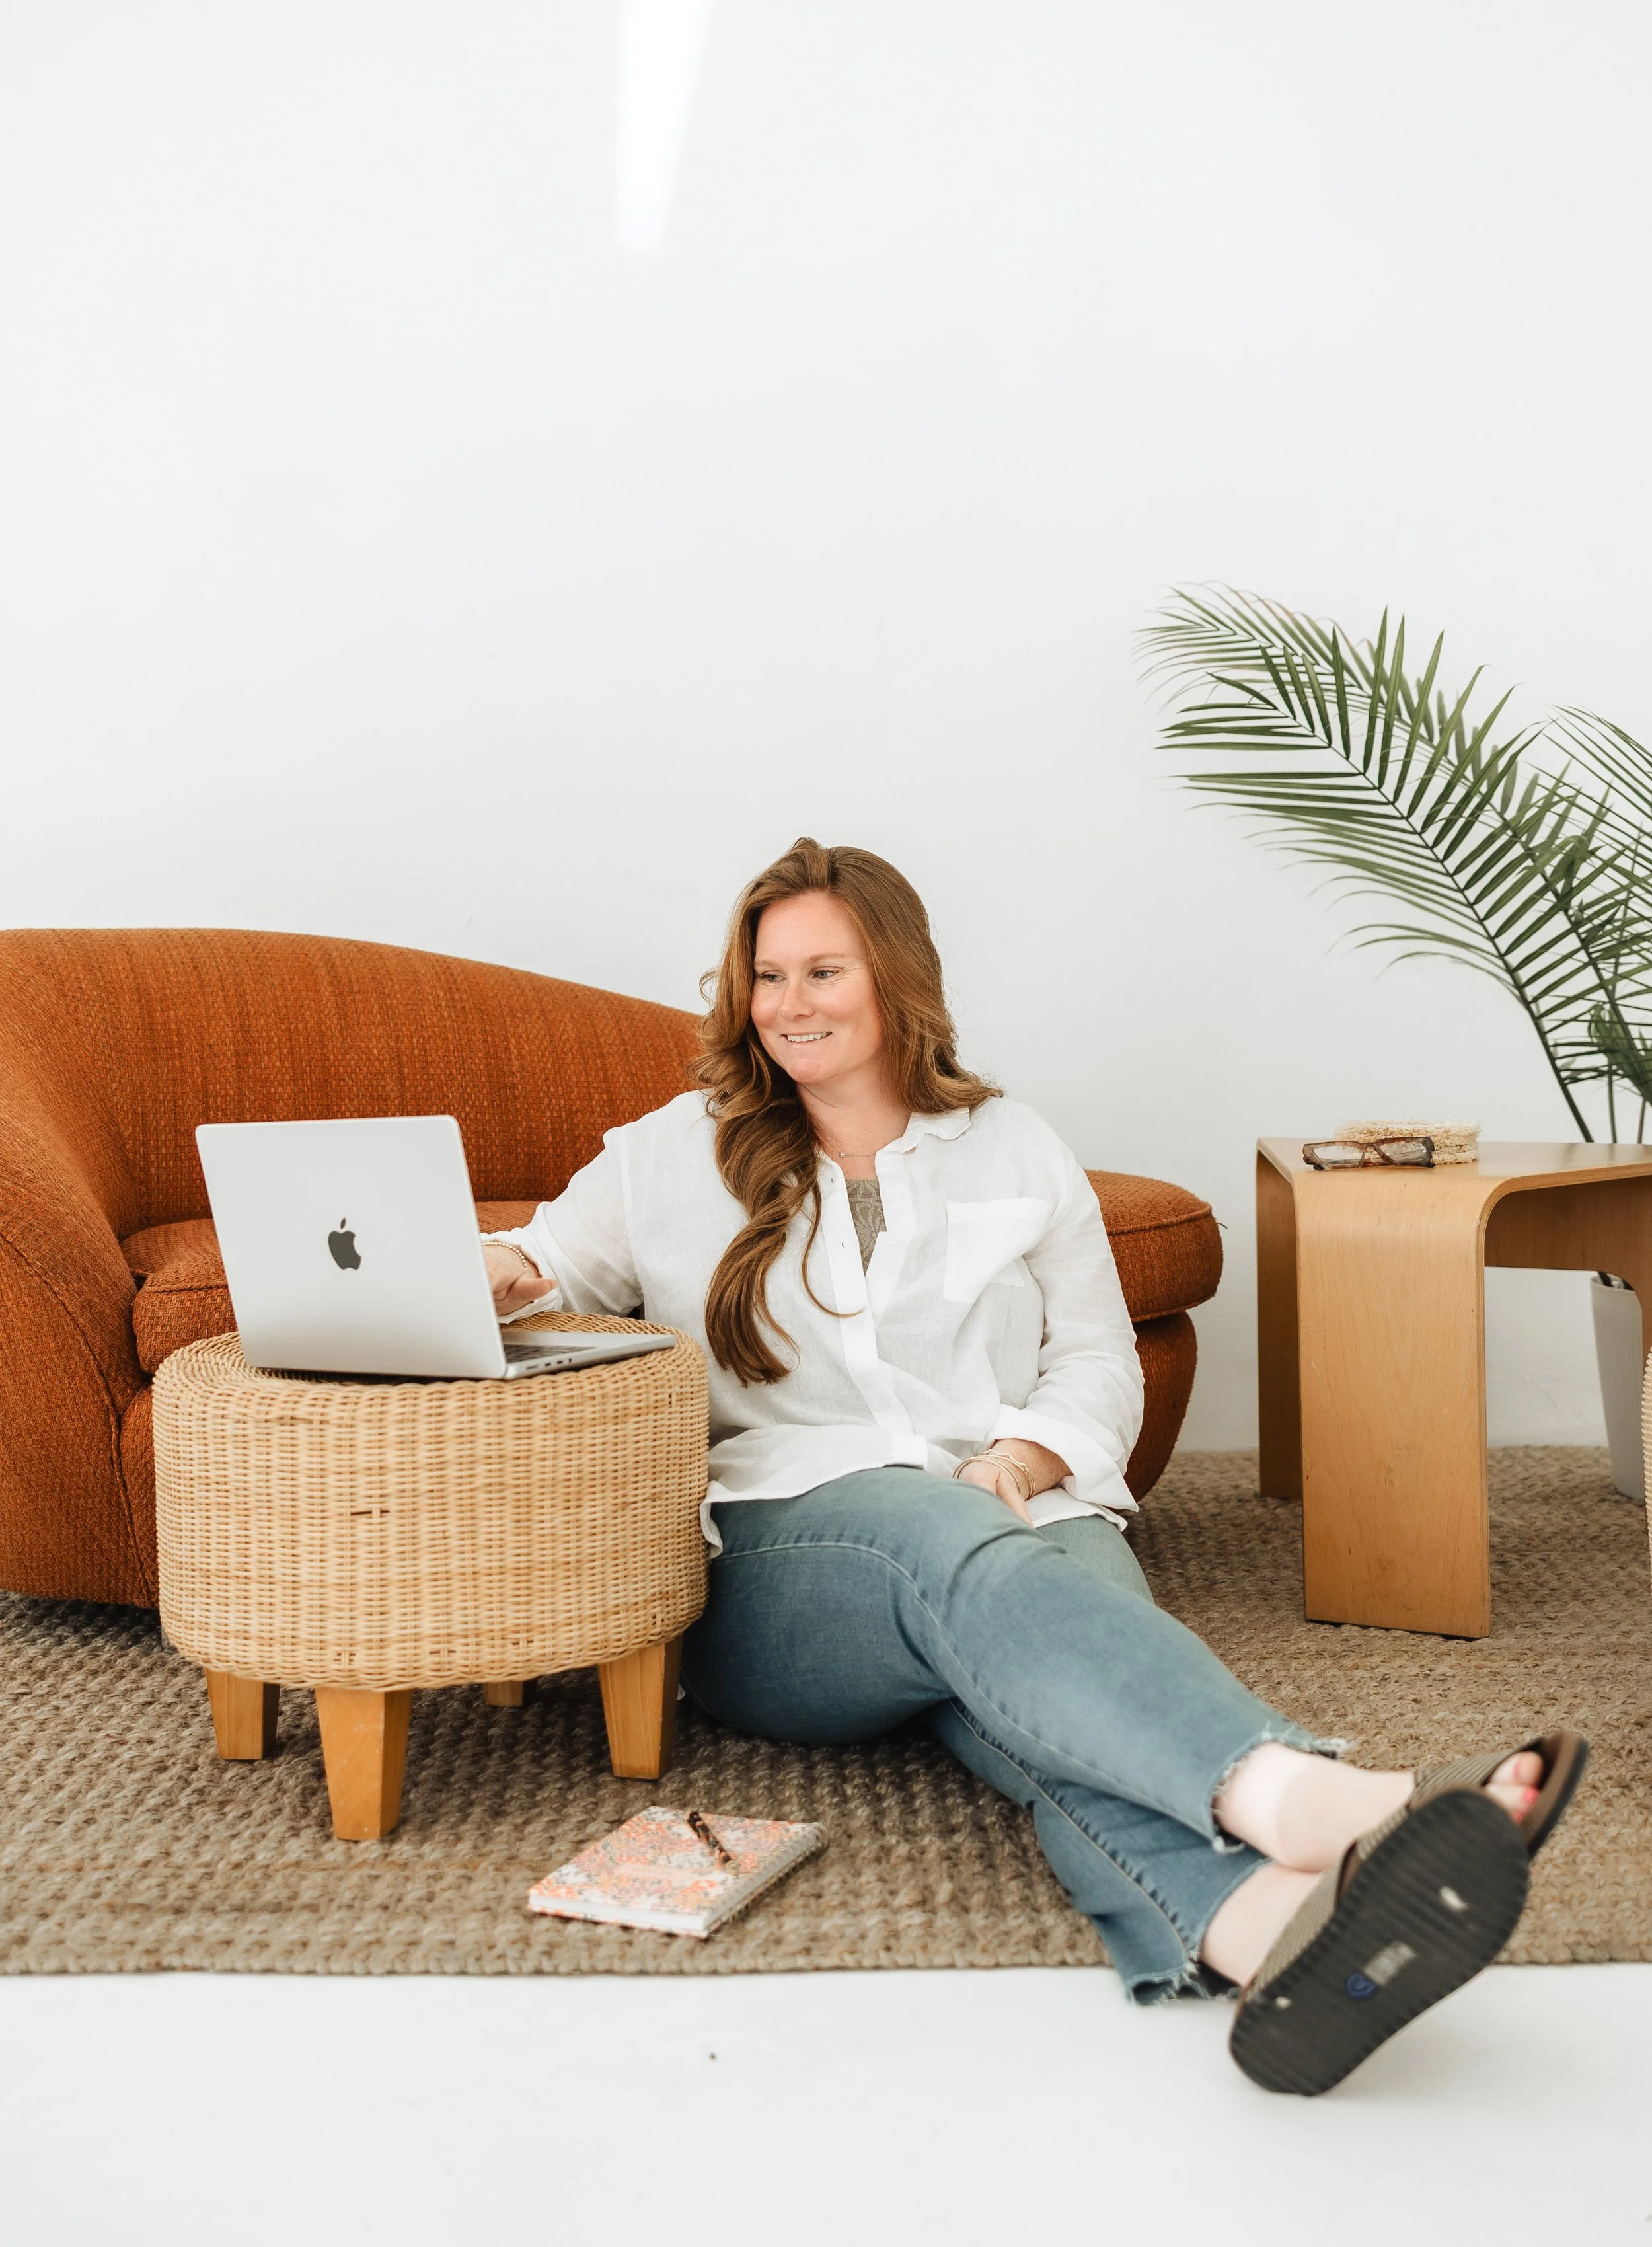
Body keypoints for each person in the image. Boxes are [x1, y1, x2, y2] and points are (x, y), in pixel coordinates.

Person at [482, 838, 1585, 2094]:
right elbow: (540, 1262)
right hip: (792, 1569)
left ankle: (1256, 1931)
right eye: (766, 975)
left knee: (1067, 1694)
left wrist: (1022, 1453)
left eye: (821, 970)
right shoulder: (675, 1150)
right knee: (943, 1541)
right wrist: (486, 1267)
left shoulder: (1010, 1144)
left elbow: (1099, 1361)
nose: (787, 1004)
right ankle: (1328, 1802)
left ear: (895, 977)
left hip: (1017, 1506)